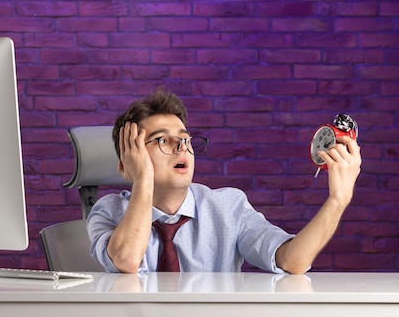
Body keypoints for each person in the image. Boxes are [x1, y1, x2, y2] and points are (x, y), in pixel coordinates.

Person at [87, 88, 361, 274]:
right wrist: (143, 177)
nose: (182, 147)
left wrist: (338, 200)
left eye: (185, 139)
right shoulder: (108, 212)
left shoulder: (228, 206)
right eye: (162, 140)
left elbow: (292, 261)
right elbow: (126, 260)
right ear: (126, 164)